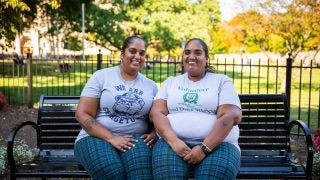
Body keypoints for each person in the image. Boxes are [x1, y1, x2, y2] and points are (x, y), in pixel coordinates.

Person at [150, 38, 242, 179]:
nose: (191, 57)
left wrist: (204, 148)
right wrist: (174, 141)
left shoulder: (221, 81)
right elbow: (156, 113)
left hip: (219, 146)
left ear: (206, 58)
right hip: (172, 145)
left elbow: (231, 116)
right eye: (187, 52)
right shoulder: (171, 82)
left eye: (197, 53)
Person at [74, 36, 158, 180]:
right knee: (112, 171)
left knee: (141, 174)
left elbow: (158, 115)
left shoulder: (150, 85)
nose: (137, 56)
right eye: (132, 51)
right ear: (122, 53)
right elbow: (82, 114)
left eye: (142, 53)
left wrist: (155, 133)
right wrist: (111, 137)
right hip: (94, 137)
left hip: (134, 139)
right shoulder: (102, 76)